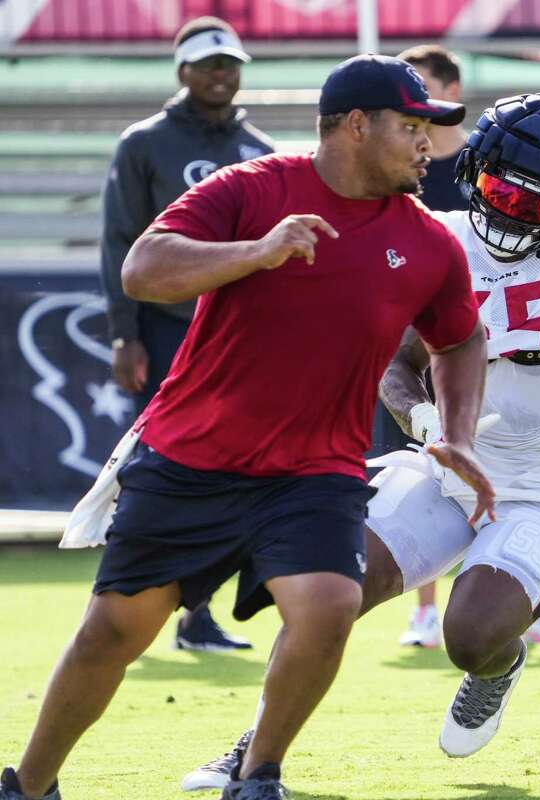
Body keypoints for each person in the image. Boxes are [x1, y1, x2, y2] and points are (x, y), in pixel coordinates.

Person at [180, 92, 540, 789]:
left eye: (535, 205)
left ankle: (499, 664)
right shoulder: (439, 236)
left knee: (470, 637)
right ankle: (255, 749)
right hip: (446, 470)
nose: (510, 212)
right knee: (331, 592)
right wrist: (429, 428)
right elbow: (398, 364)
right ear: (474, 173)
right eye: (502, 191)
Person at [0, 55, 495, 800]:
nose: (428, 144)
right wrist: (257, 254)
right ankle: (28, 785)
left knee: (329, 605)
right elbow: (144, 268)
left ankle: (257, 774)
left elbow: (459, 339)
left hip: (314, 470)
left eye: (431, 129)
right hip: (192, 457)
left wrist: (455, 430)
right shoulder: (252, 187)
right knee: (114, 633)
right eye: (412, 126)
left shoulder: (428, 242)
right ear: (356, 126)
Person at [393, 44, 540, 649]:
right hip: (436, 332)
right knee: (433, 466)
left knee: (532, 458)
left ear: (452, 90)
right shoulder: (404, 168)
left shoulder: (494, 159)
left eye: (422, 90)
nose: (414, 109)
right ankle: (425, 606)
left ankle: (519, 589)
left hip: (511, 327)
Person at [100, 16, 274, 652]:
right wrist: (125, 334)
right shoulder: (144, 144)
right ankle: (129, 600)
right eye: (209, 65)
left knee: (237, 470)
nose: (222, 75)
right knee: (168, 469)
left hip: (242, 339)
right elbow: (120, 243)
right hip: (169, 332)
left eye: (231, 64)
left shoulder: (259, 148)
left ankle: (195, 613)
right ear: (183, 72)